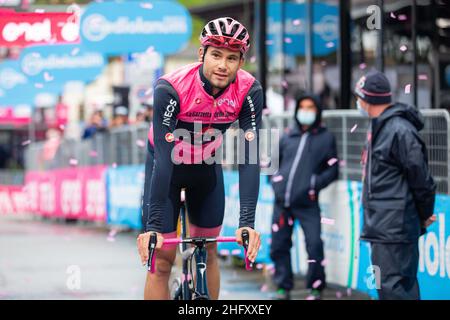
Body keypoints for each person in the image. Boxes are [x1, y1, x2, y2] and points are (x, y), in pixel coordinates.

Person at [136, 17, 263, 300]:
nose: (223, 65)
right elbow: (164, 162)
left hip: (205, 167)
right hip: (165, 166)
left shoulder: (249, 91)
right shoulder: (170, 88)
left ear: (241, 62)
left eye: (232, 58)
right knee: (162, 261)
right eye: (216, 55)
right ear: (201, 54)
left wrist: (247, 222)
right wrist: (154, 227)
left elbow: (250, 157)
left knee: (209, 250)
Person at [355, 70, 436, 300]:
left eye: (359, 97)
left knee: (395, 290)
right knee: (387, 289)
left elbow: (421, 179)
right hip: (382, 230)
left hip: (394, 230)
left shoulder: (399, 130)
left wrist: (424, 213)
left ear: (368, 98)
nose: (358, 102)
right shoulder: (380, 128)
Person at [269, 93, 339, 300]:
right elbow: (274, 164)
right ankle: (283, 287)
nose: (306, 111)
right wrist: (275, 182)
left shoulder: (326, 138)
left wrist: (313, 185)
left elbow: (333, 170)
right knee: (279, 245)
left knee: (314, 245)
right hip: (282, 203)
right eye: (303, 107)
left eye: (311, 107)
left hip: (308, 204)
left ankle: (315, 287)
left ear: (317, 111)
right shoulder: (288, 135)